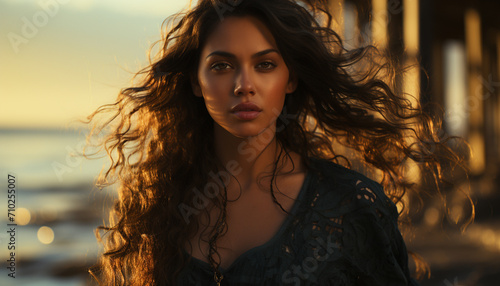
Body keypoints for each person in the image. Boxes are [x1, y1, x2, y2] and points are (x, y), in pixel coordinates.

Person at [85, 0, 472, 285]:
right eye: (221, 66)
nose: (243, 85)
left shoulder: (351, 208)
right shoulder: (163, 207)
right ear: (193, 82)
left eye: (265, 64)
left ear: (290, 79)